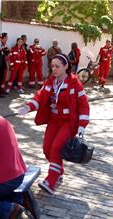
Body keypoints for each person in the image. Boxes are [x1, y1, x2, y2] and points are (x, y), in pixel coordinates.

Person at [18, 54, 90, 194]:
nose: (54, 69)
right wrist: (29, 107)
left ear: (65, 66)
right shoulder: (51, 81)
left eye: (57, 66)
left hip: (69, 122)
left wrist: (82, 126)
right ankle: (59, 170)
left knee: (56, 148)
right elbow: (40, 95)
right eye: (52, 66)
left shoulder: (75, 83)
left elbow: (84, 106)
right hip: (54, 120)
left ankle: (51, 181)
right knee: (47, 149)